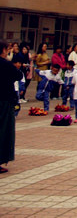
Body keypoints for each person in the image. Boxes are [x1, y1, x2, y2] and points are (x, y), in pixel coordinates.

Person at [1, 41, 23, 174]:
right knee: (4, 130)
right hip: (4, 101)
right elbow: (18, 75)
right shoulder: (6, 64)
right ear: (3, 50)